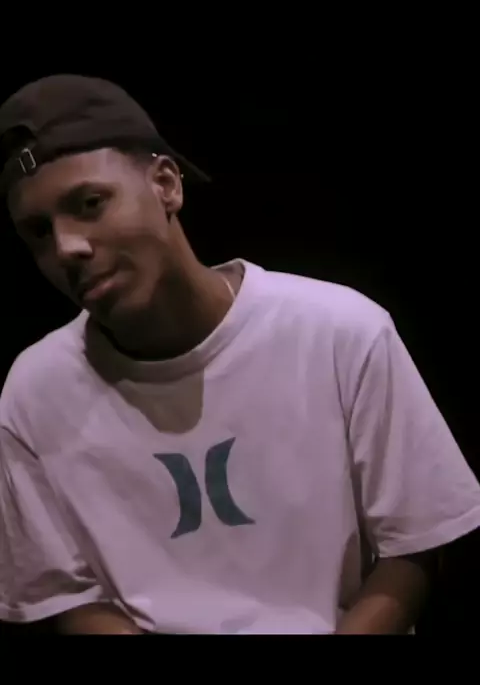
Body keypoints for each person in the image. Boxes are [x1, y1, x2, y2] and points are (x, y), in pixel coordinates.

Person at [0, 75, 479, 636]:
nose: (67, 248)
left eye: (89, 204)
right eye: (39, 233)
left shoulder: (339, 333)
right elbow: (68, 595)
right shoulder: (36, 391)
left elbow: (416, 545)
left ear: (165, 184)